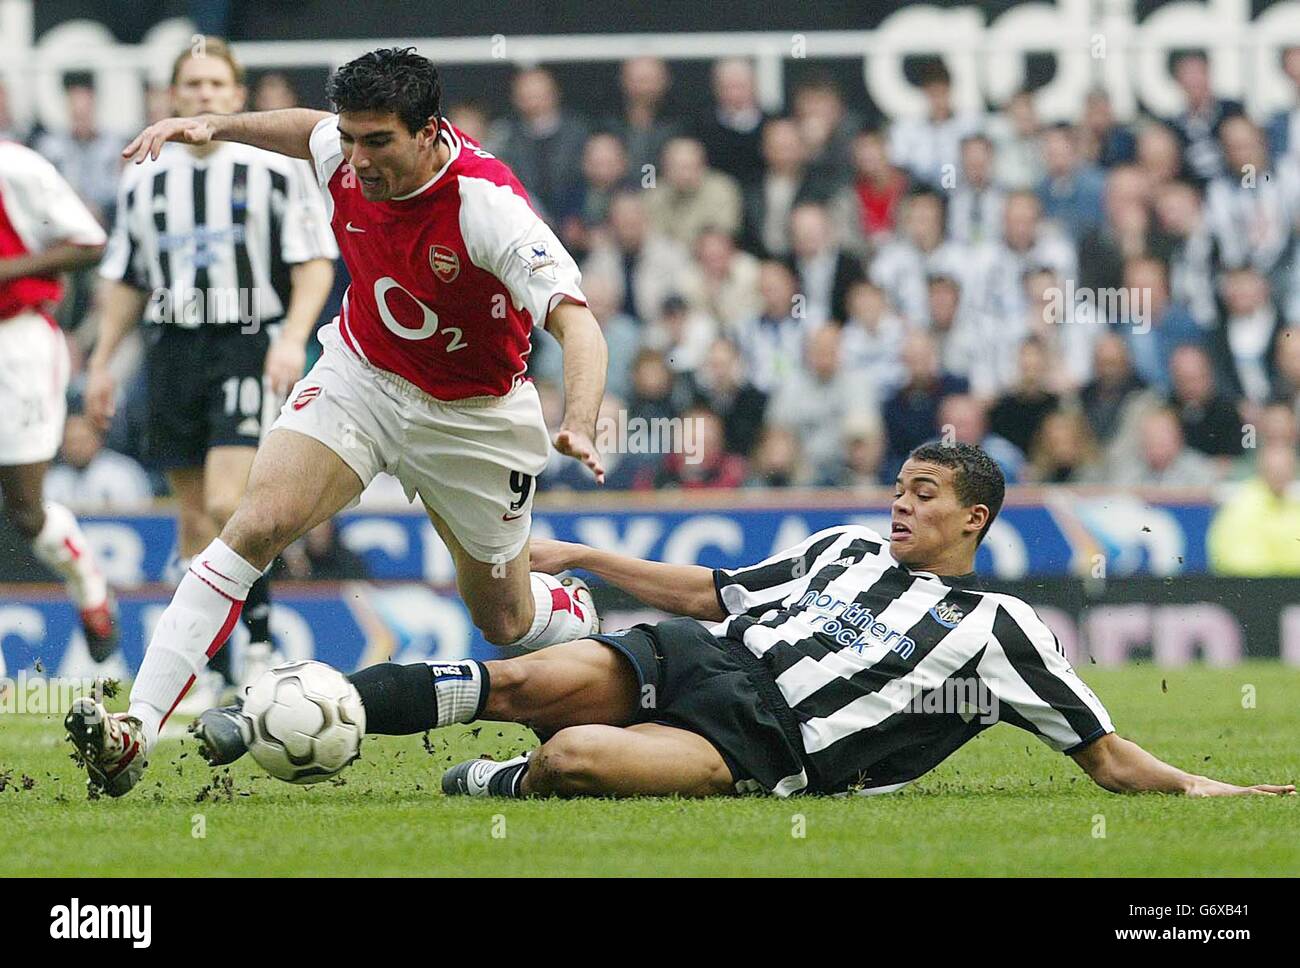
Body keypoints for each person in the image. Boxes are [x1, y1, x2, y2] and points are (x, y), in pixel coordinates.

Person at [66, 47, 608, 797]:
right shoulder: (346, 152)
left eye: (376, 141)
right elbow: (304, 129)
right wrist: (211, 126)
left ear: (429, 132)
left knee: (505, 619)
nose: (355, 159)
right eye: (349, 139)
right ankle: (138, 728)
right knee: (254, 523)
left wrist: (578, 420)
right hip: (363, 376)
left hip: (473, 418)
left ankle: (567, 605)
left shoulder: (487, 205)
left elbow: (579, 325)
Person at [192, 443, 1294, 801]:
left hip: (766, 739)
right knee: (519, 677)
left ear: (976, 517)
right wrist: (580, 553)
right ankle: (263, 710)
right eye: (898, 487)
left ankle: (498, 783)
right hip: (706, 655)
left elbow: (1099, 750)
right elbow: (711, 592)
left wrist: (1210, 788)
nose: (899, 503)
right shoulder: (841, 548)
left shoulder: (1000, 629)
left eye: (922, 494)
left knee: (573, 754)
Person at [88, 39, 339, 706]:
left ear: (237, 95)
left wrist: (290, 339)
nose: (202, 94)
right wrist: (102, 362)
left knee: (235, 503)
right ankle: (217, 669)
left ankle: (258, 645)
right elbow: (126, 278)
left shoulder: (273, 168)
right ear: (173, 96)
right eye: (191, 83)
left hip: (245, 343)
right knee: (196, 520)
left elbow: (315, 260)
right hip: (171, 348)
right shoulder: (145, 174)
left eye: (215, 84)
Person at [0, 139, 119, 658]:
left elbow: (90, 241)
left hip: (17, 344)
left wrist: (10, 269)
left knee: (26, 510)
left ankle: (88, 585)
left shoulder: (17, 167)